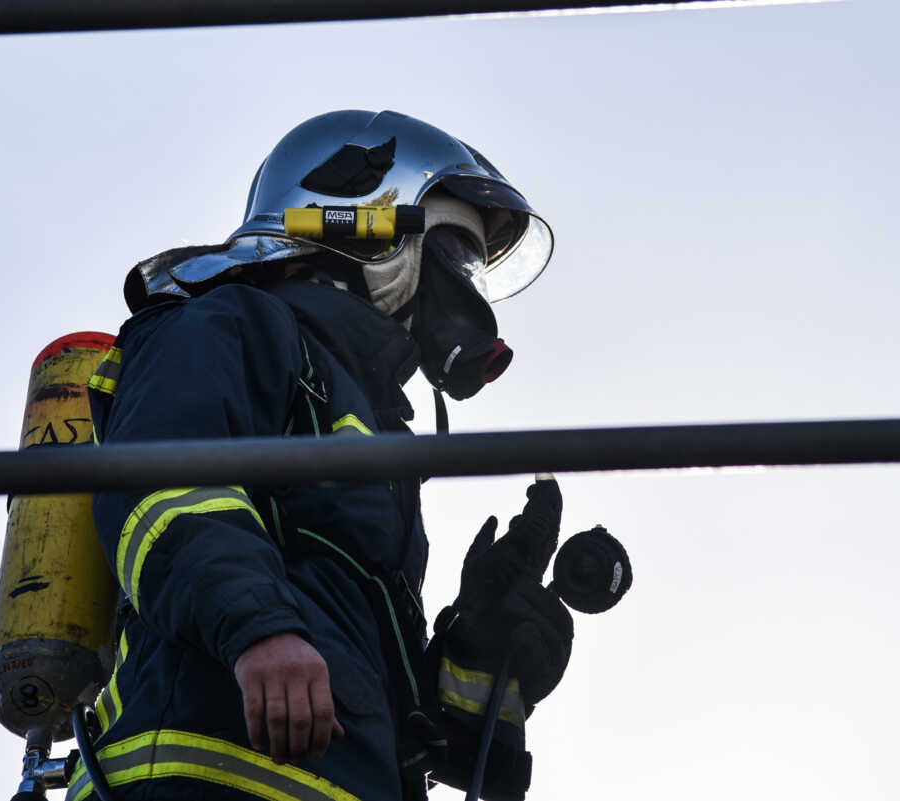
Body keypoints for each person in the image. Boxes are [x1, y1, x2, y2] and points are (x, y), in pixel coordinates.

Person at [67, 110, 573, 801]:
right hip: (199, 782)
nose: (460, 285)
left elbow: (367, 680)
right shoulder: (228, 321)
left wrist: (482, 652)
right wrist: (257, 627)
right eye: (454, 252)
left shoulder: (375, 434)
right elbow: (161, 486)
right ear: (358, 216)